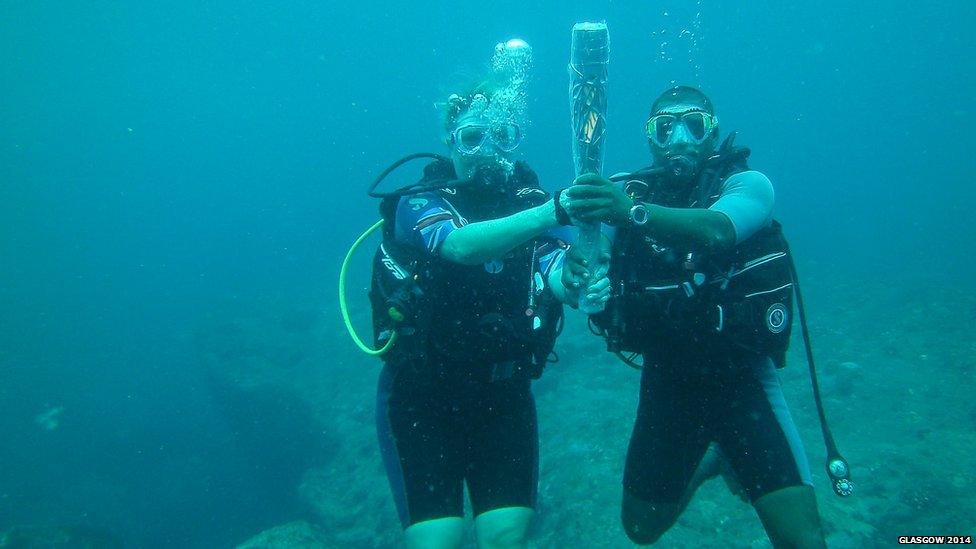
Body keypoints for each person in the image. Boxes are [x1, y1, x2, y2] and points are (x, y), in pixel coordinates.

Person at [558, 85, 827, 548]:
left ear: (712, 134)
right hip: (667, 381)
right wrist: (577, 265)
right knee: (640, 529)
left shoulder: (747, 185)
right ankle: (712, 461)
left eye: (694, 126)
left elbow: (719, 229)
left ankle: (730, 451)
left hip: (743, 381)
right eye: (665, 128)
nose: (679, 139)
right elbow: (590, 248)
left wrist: (631, 211)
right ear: (651, 140)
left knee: (802, 540)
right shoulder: (626, 193)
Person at [371, 41, 573, 549]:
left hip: (501, 397)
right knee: (437, 540)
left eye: (503, 136)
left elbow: (553, 271)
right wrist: (556, 211)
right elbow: (458, 246)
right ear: (450, 142)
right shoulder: (417, 202)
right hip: (421, 399)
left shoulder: (533, 202)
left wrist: (581, 279)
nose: (488, 152)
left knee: (506, 535)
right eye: (473, 137)